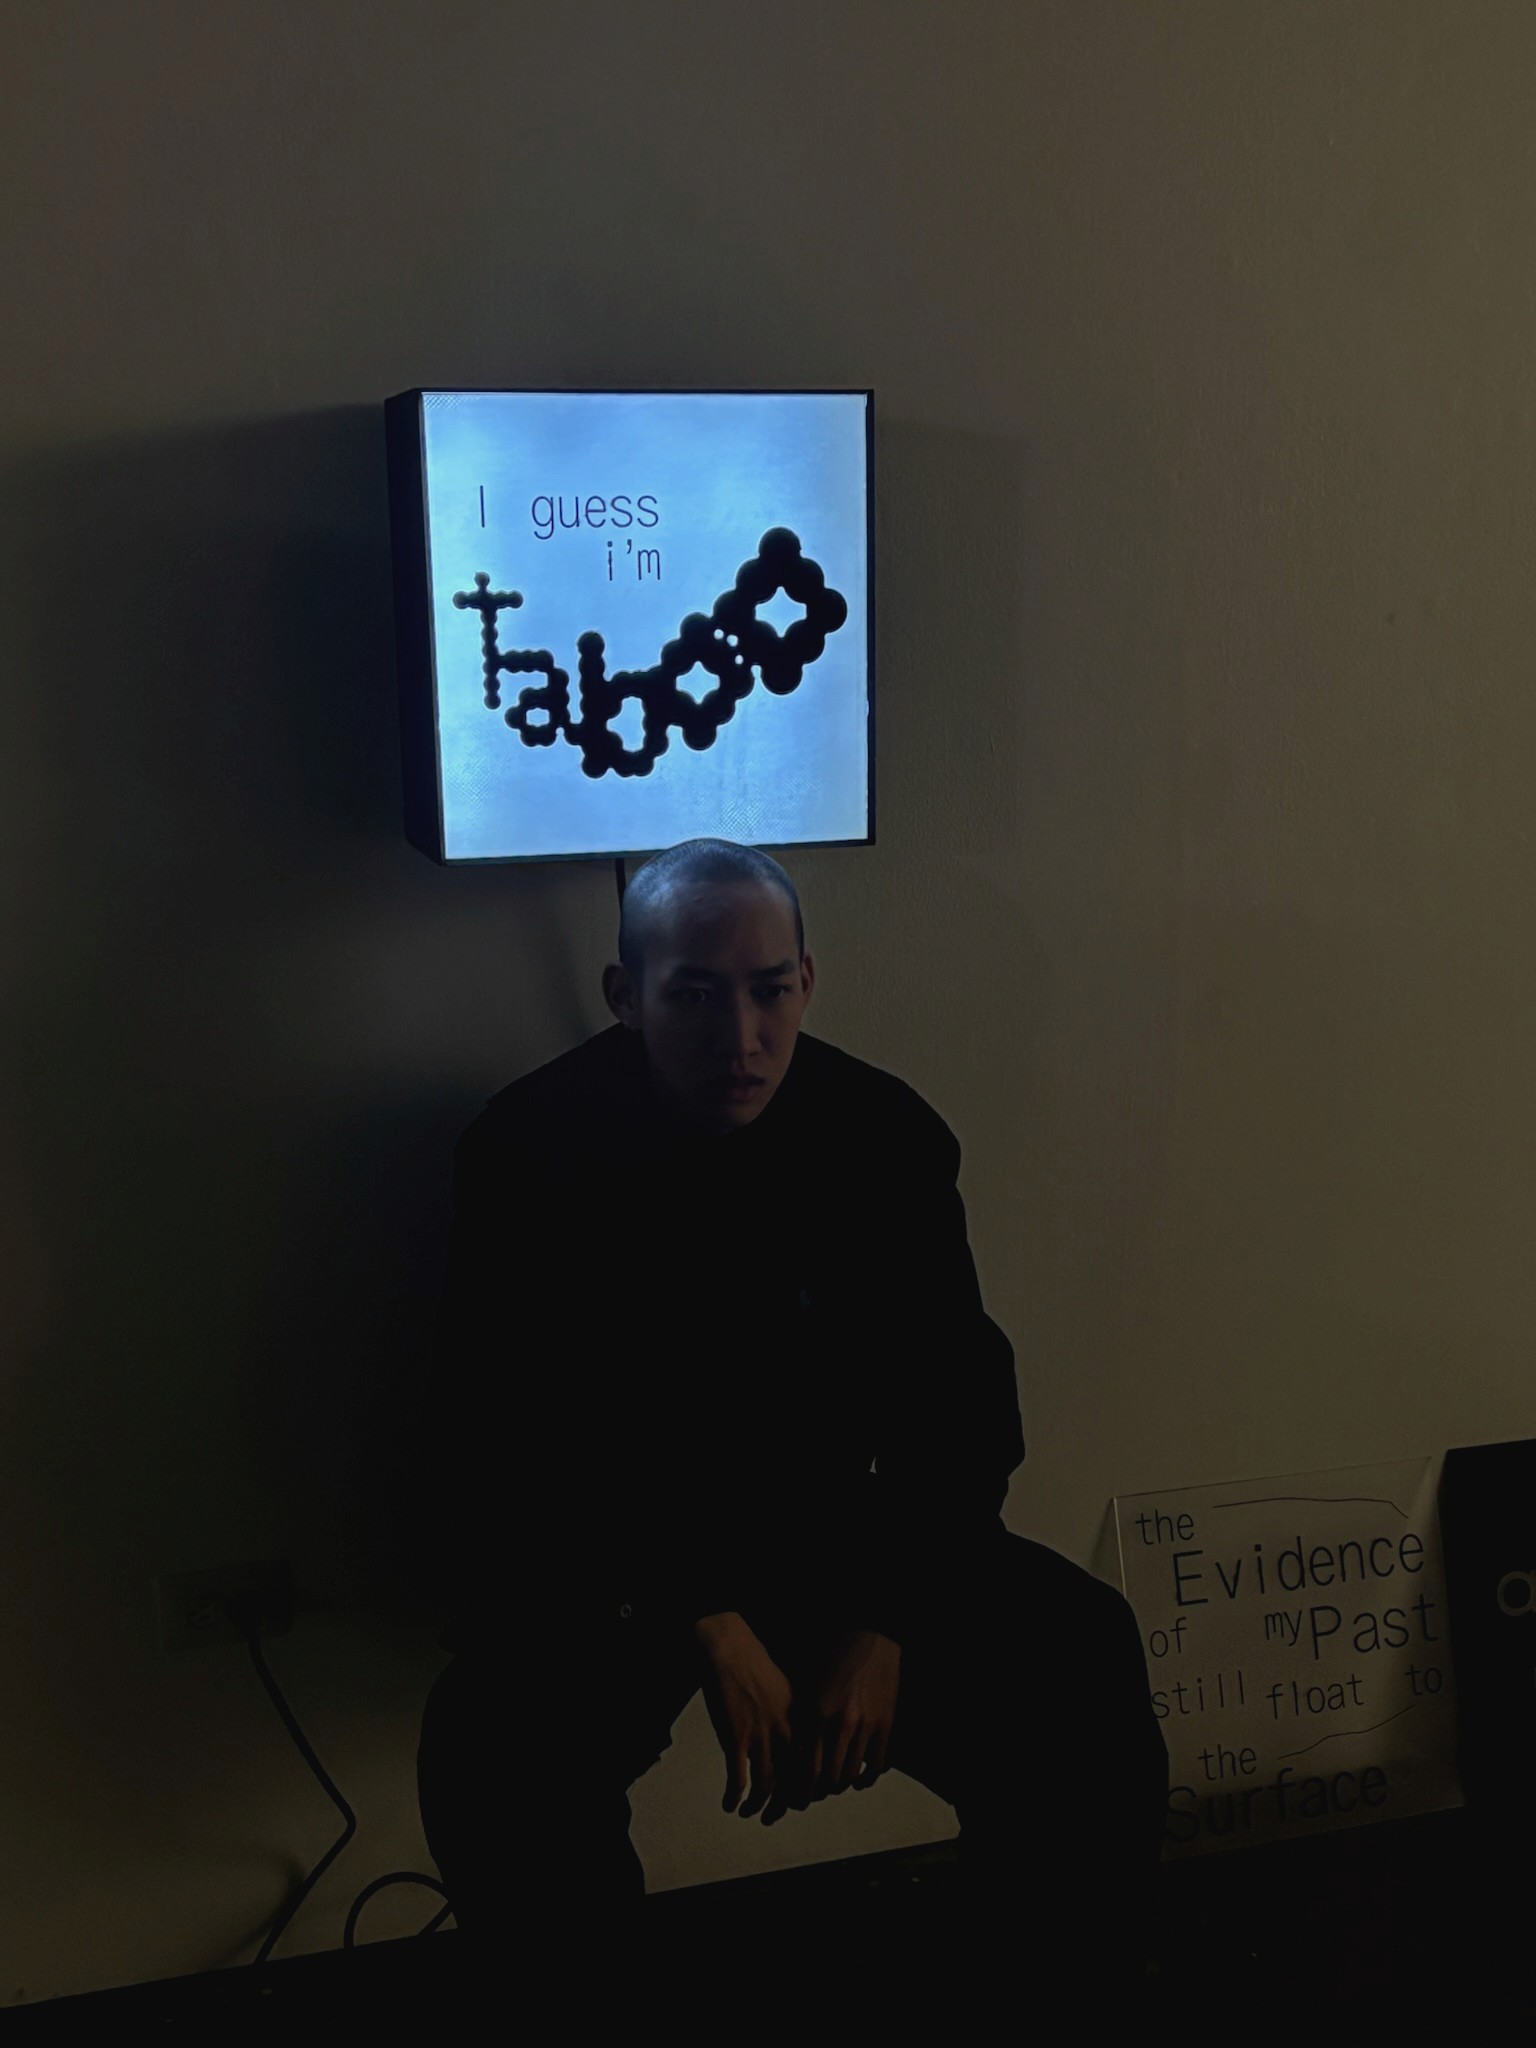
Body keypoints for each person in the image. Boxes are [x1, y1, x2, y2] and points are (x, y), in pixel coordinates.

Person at [415, 838, 1167, 2016]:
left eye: (770, 991)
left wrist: (888, 1616)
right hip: (613, 1549)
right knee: (490, 1747)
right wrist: (705, 1614)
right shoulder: (528, 1148)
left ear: (807, 981)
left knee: (1078, 1653)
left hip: (831, 1526)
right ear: (626, 995)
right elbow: (515, 1434)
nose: (743, 1036)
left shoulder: (883, 1132)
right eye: (695, 995)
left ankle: (1057, 1990)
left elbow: (962, 1403)